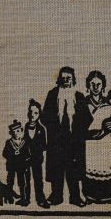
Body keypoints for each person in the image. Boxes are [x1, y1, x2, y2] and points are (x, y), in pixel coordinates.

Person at [41, 66, 91, 207]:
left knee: (73, 170)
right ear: (59, 80)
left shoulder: (79, 96)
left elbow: (87, 118)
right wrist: (54, 132)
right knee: (56, 169)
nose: (66, 81)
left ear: (73, 80)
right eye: (63, 78)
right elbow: (44, 117)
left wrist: (78, 133)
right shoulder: (52, 94)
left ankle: (75, 197)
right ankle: (56, 197)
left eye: (68, 78)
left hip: (73, 143)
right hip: (56, 142)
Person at [82, 71, 111, 204]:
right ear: (88, 86)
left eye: (98, 84)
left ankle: (108, 196)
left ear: (103, 86)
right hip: (90, 141)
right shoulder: (83, 102)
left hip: (106, 141)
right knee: (91, 165)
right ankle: (91, 196)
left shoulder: (109, 101)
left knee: (106, 164)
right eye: (92, 84)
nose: (95, 87)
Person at [24, 99, 50, 208]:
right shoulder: (25, 127)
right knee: (26, 179)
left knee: (38, 179)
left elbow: (44, 145)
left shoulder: (41, 129)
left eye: (35, 113)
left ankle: (40, 199)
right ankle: (26, 199)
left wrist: (36, 151)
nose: (32, 115)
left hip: (37, 159)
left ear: (39, 114)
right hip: (25, 159)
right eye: (30, 112)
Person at [2, 119, 31, 207]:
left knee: (21, 182)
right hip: (11, 166)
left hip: (21, 166)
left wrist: (25, 161)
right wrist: (12, 155)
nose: (16, 133)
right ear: (10, 133)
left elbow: (28, 154)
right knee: (10, 181)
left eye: (17, 131)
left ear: (21, 131)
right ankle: (9, 197)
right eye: (13, 132)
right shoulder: (9, 143)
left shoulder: (24, 142)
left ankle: (23, 198)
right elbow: (4, 154)